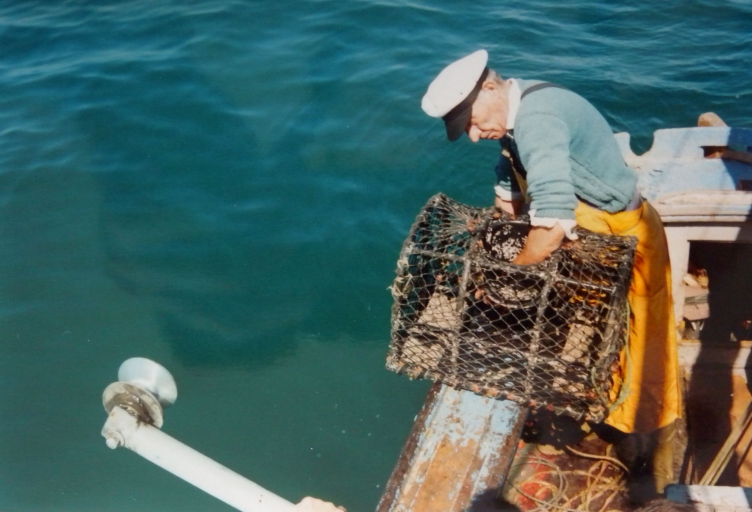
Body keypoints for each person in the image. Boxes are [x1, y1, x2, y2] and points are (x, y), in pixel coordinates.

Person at [421, 49, 682, 494]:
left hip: (624, 239)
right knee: (596, 338)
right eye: (464, 129)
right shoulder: (512, 122)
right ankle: (597, 406)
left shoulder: (538, 120)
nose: (473, 136)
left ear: (490, 87)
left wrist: (508, 276)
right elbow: (509, 198)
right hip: (587, 240)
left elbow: (551, 228)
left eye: (472, 121)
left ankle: (647, 454)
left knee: (641, 351)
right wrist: (496, 239)